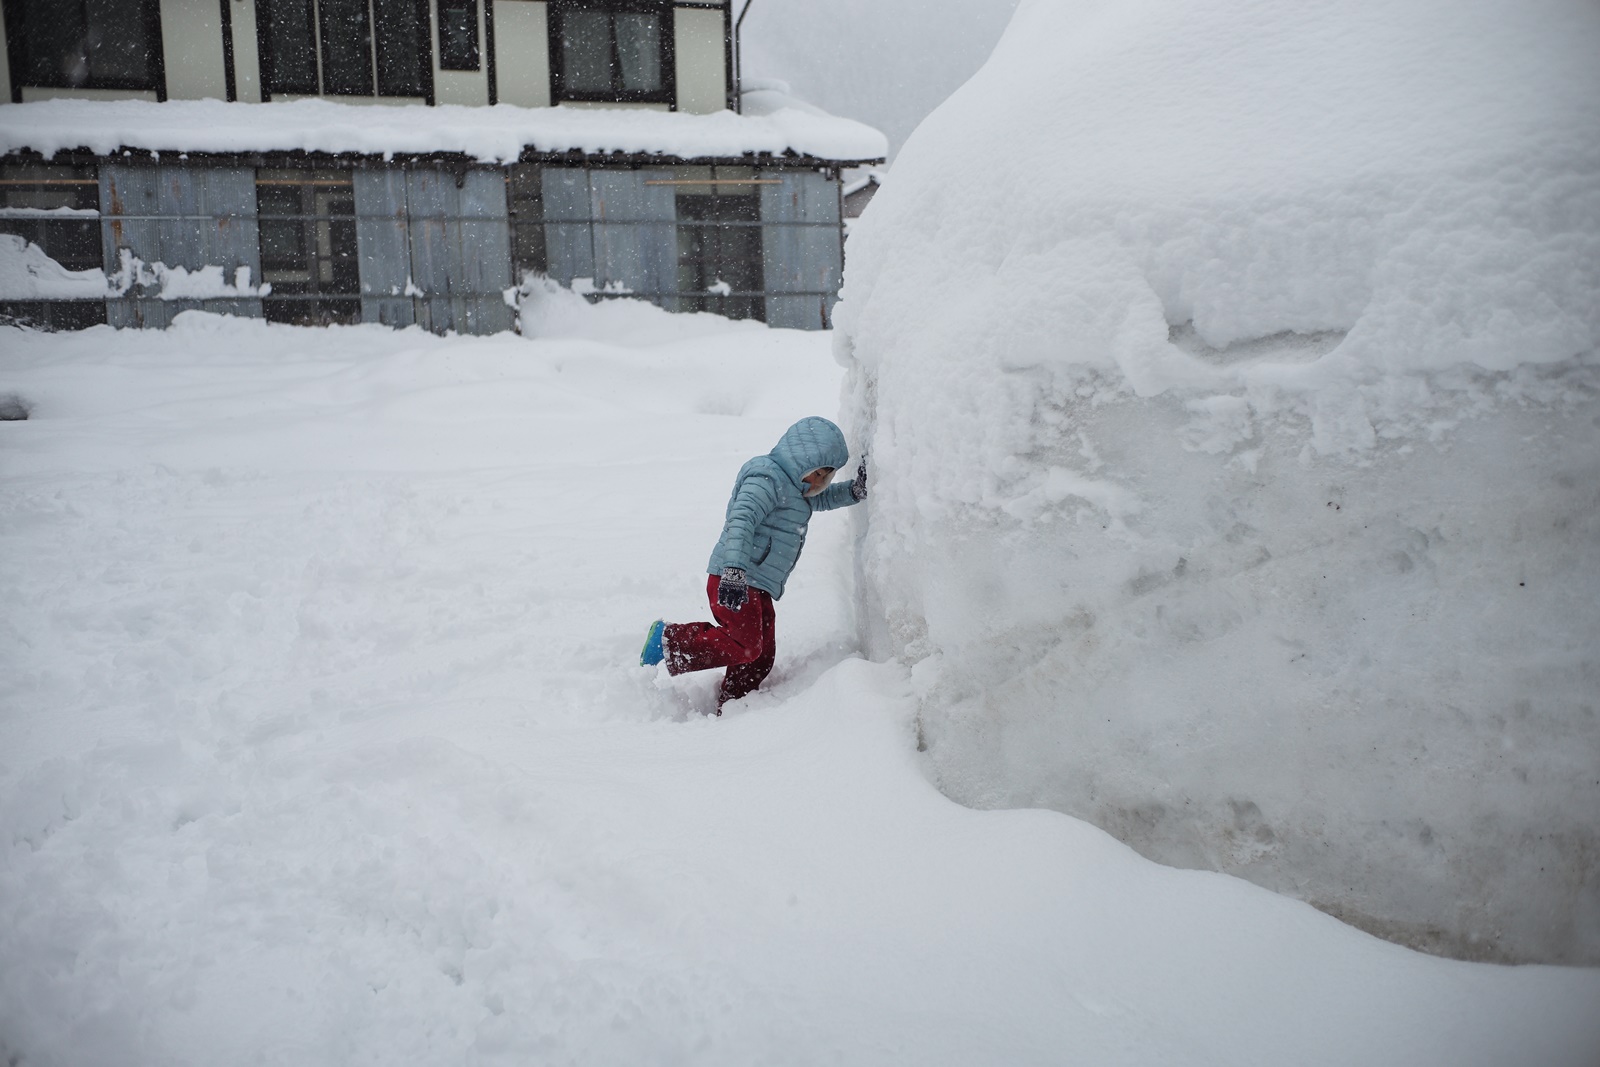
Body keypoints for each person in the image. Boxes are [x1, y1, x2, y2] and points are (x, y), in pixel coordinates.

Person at [639, 416, 868, 711]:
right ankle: (670, 640)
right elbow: (742, 519)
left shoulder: (799, 492)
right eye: (816, 473)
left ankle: (736, 702)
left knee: (761, 655)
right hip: (735, 577)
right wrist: (733, 571)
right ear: (801, 460)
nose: (818, 483)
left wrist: (853, 491)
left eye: (825, 477)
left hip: (758, 584)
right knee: (744, 644)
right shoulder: (767, 478)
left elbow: (822, 500)